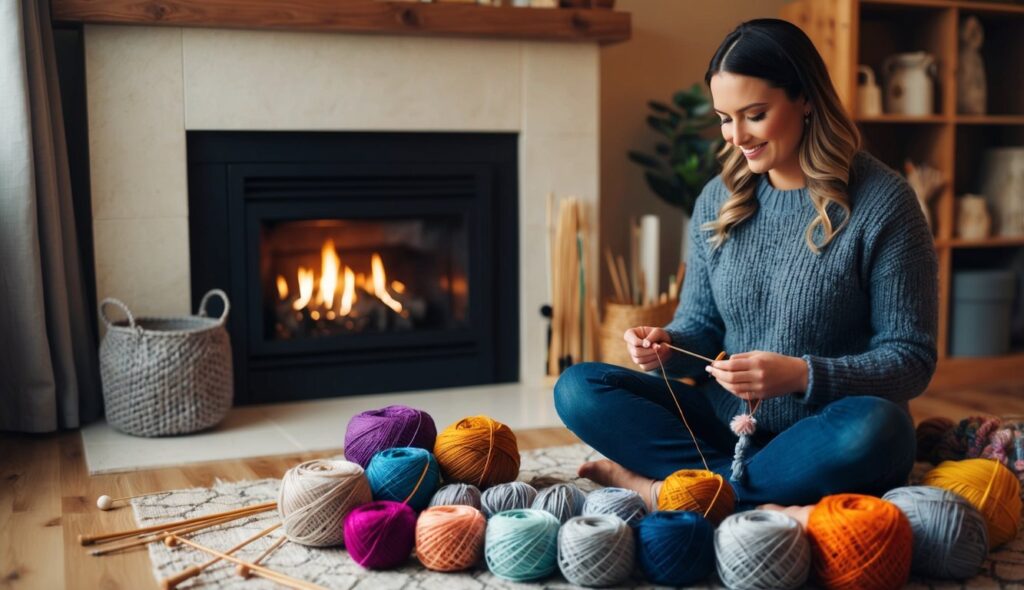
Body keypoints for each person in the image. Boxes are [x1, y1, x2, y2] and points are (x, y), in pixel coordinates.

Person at [554, 18, 938, 517]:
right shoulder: (719, 199)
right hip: (727, 424)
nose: (736, 136)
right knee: (578, 389)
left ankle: (660, 489)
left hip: (824, 433)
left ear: (804, 99)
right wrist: (667, 345)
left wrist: (801, 375)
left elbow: (911, 359)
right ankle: (748, 496)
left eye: (754, 115)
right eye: (723, 118)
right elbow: (702, 327)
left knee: (880, 431)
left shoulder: (883, 203)